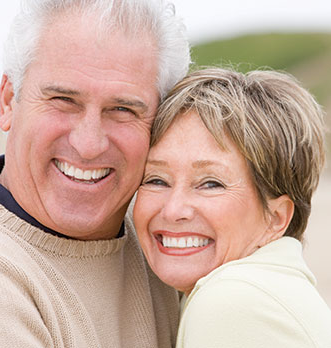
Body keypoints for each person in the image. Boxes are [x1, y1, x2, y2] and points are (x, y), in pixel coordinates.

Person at [0, 0, 191, 346]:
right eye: (63, 100)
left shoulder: (170, 245)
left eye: (122, 109)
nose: (88, 144)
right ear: (8, 101)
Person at [133, 67, 331, 347]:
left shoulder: (232, 299)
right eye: (156, 180)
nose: (173, 210)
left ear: (276, 217)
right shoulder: (272, 289)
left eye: (211, 184)